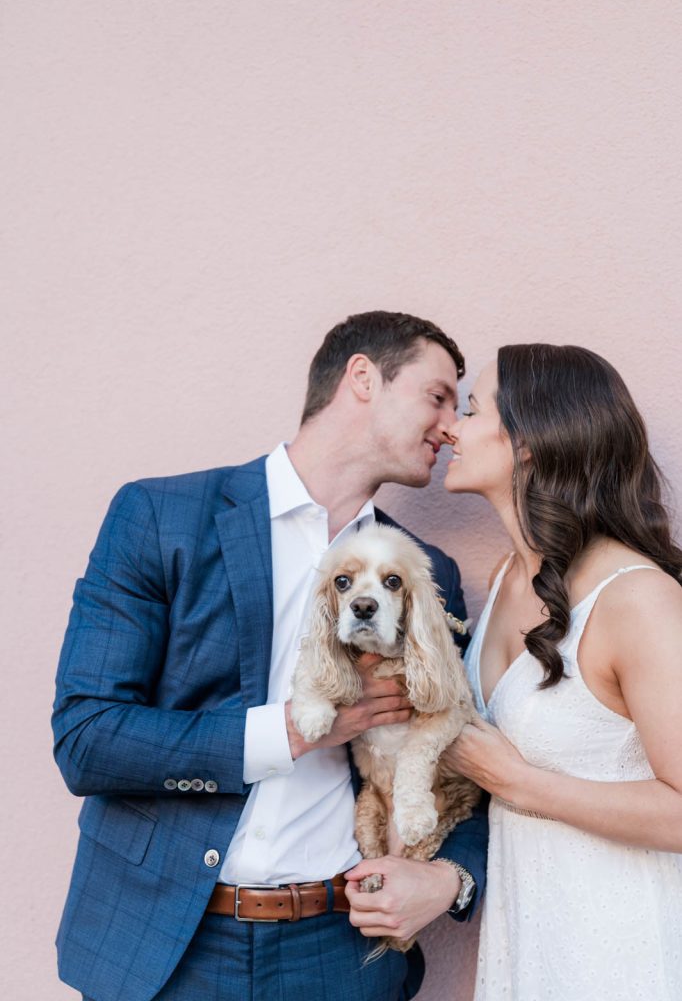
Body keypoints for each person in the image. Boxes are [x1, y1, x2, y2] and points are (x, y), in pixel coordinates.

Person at [52, 310, 488, 1001]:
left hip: (341, 948)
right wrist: (293, 731)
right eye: (437, 397)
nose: (450, 426)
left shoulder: (423, 573)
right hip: (168, 944)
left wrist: (449, 876)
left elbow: (464, 752)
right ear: (363, 378)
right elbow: (87, 738)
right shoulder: (161, 517)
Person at [443, 343, 682, 1001]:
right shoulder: (504, 578)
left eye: (471, 410)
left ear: (527, 441)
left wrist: (518, 782)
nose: (452, 428)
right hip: (529, 949)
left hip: (625, 957)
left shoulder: (637, 600)